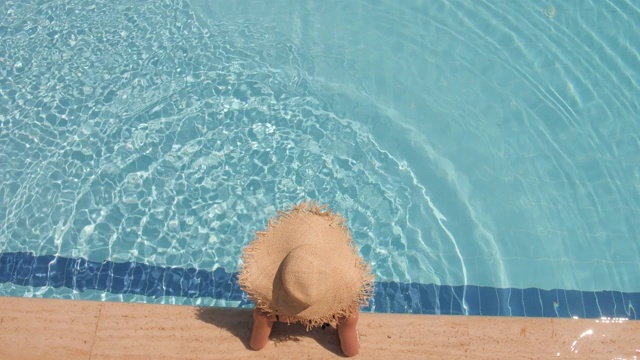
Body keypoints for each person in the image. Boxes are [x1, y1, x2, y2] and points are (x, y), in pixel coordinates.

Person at [238, 201, 374, 357]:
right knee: (350, 319)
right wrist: (348, 324)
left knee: (261, 318)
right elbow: (351, 352)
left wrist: (261, 321)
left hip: (278, 314)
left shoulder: (268, 313)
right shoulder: (343, 314)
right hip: (334, 314)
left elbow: (256, 345)